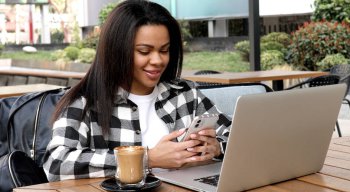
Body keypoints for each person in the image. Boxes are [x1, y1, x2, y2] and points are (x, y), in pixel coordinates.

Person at [43, 0, 231, 182]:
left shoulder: (186, 94)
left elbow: (235, 134)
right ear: (117, 51)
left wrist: (217, 148)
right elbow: (56, 163)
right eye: (144, 51)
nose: (158, 60)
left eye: (164, 50)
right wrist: (148, 158)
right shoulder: (86, 102)